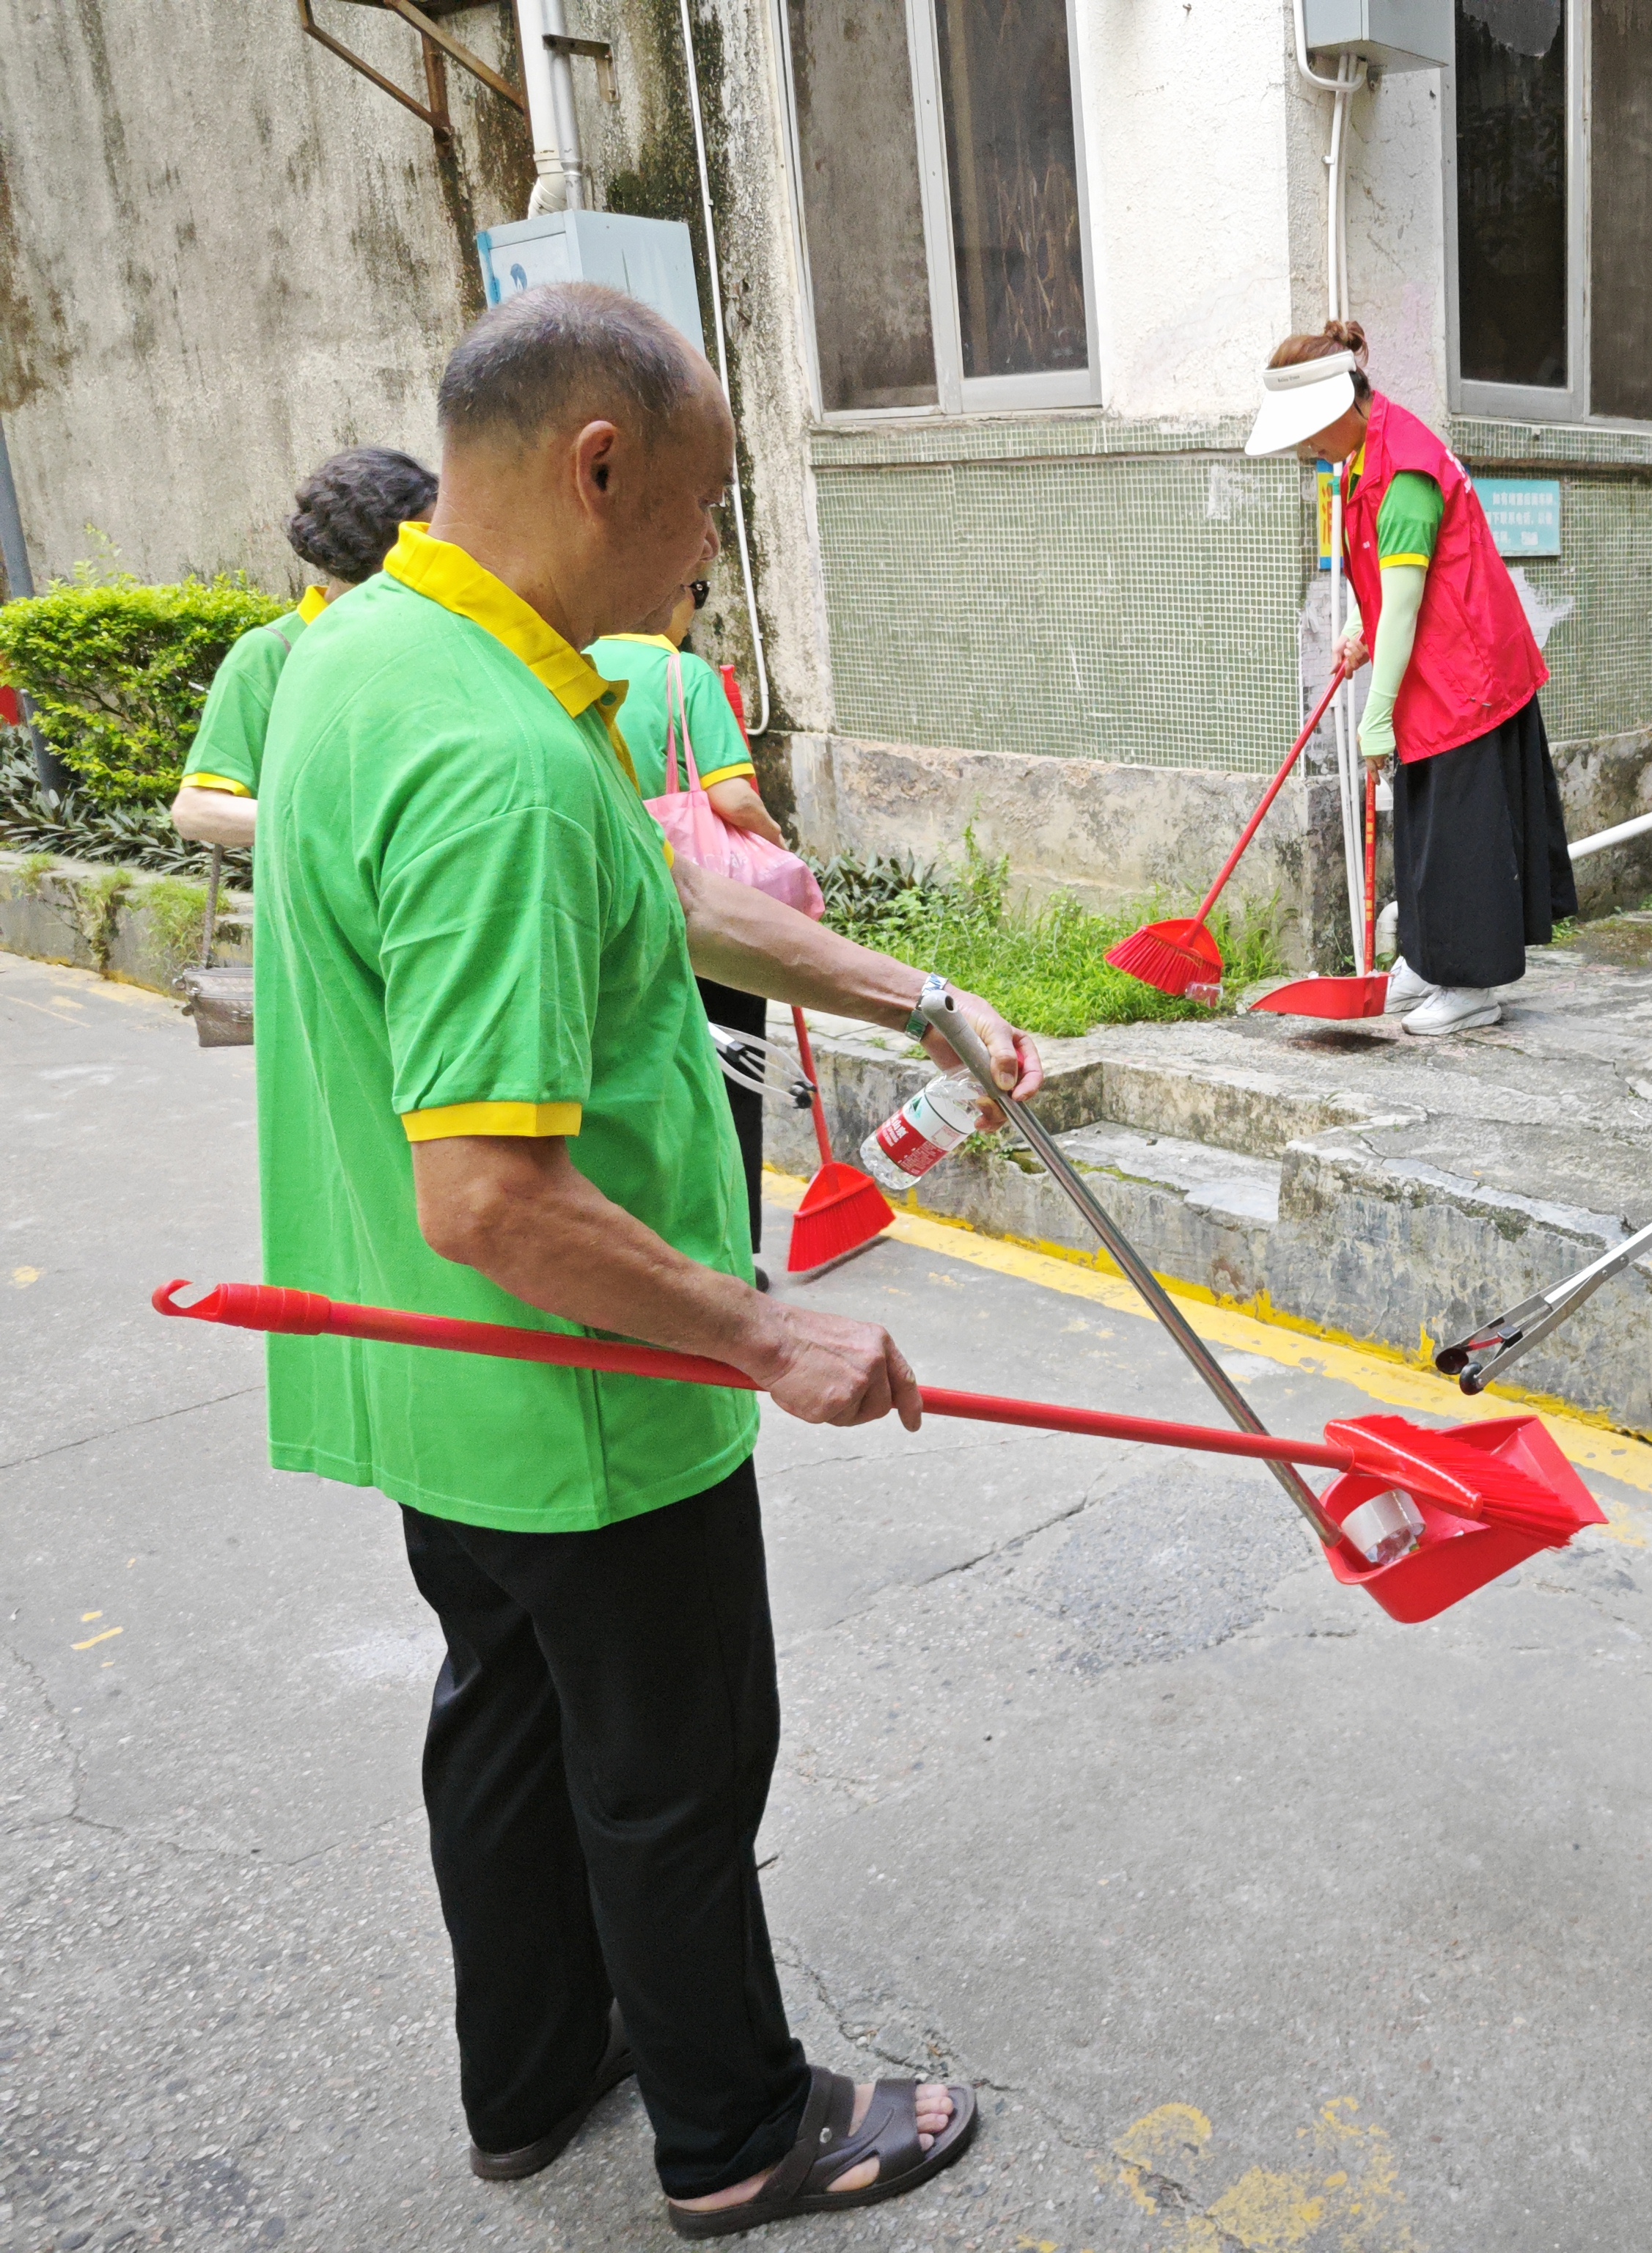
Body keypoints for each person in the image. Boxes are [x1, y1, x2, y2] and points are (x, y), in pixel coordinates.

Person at [254, 282, 1038, 2236]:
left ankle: (531, 2080)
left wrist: (903, 990)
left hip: (445, 1395)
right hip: (592, 1392)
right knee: (675, 1772)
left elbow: (661, 890)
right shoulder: (498, 765)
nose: (710, 557)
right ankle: (742, 2131)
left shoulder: (378, 659)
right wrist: (767, 1334)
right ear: (602, 468)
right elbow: (497, 1202)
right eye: (702, 509)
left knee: (505, 1734)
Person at [1243, 320, 1574, 1036]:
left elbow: (1405, 606)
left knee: (1461, 836)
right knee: (1424, 825)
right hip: (1436, 668)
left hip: (1469, 675)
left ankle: (1474, 987)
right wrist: (1359, 630)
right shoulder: (1364, 456)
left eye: (1308, 434)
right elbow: (1385, 588)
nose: (1306, 450)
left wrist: (1376, 713)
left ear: (1338, 410)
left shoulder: (1406, 469)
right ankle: (1425, 962)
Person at [589, 580, 782, 1277]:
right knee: (732, 1075)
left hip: (610, 904)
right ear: (675, 595)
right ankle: (730, 1251)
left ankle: (652, 1243)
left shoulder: (572, 658)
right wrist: (777, 842)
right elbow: (732, 796)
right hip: (697, 901)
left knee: (646, 1069)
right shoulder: (682, 673)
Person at [169, 446, 440, 847]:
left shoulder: (438, 640)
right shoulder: (272, 652)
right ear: (371, 550)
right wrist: (349, 826)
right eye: (422, 538)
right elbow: (197, 811)